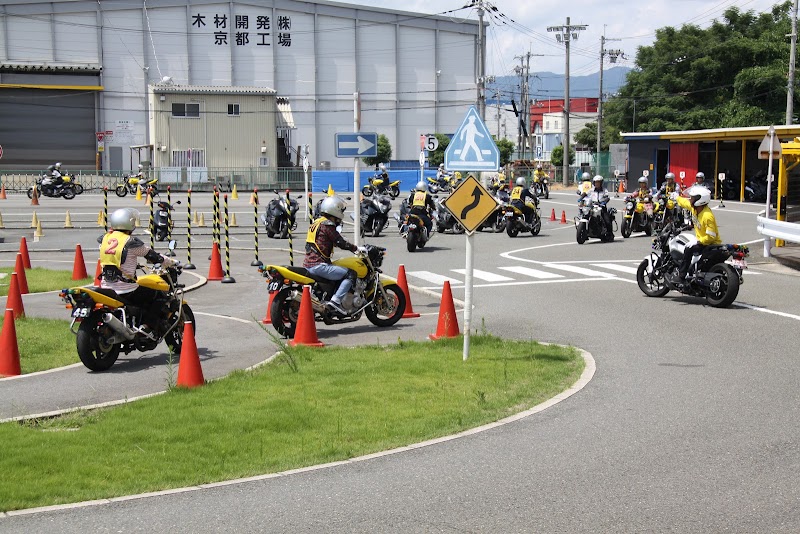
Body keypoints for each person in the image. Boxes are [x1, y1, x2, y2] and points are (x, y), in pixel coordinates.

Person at [99, 208, 175, 330]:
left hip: (106, 287)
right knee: (159, 296)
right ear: (129, 223)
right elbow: (153, 256)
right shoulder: (130, 242)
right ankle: (147, 327)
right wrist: (169, 261)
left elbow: (116, 257)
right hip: (126, 289)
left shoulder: (104, 239)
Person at [304, 196, 363, 315]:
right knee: (350, 274)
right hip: (319, 265)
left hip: (308, 264)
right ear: (334, 209)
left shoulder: (317, 223)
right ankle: (335, 302)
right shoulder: (327, 225)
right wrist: (356, 248)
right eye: (341, 210)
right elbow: (340, 242)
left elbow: (323, 241)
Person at [671, 185, 721, 285]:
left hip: (710, 243)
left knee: (688, 249)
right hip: (703, 240)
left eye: (693, 197)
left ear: (699, 200)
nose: (690, 199)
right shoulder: (695, 209)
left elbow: (711, 236)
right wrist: (677, 197)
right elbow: (685, 203)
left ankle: (681, 277)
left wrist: (698, 241)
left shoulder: (707, 216)